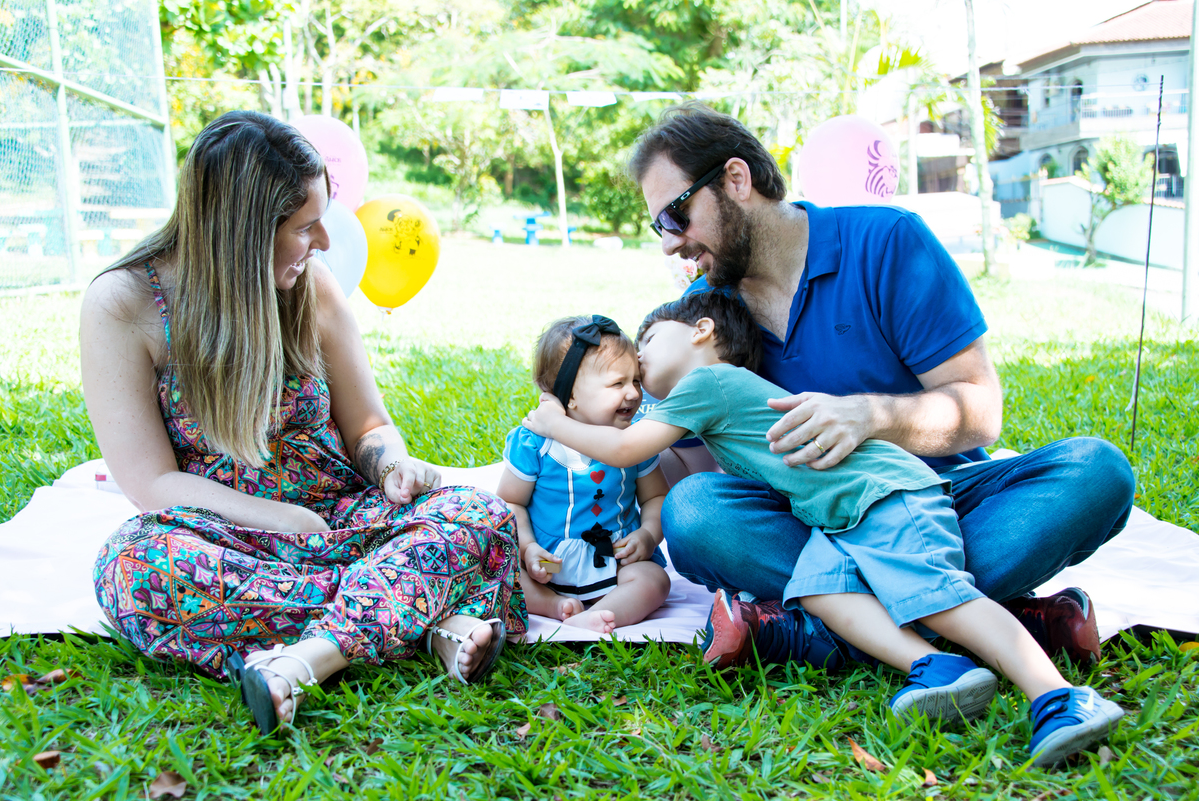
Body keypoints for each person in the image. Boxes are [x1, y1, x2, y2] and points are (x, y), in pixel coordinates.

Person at [626, 103, 1134, 669]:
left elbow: (981, 408)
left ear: (736, 180)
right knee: (694, 514)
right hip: (815, 524)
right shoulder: (706, 317)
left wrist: (869, 416)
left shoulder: (888, 242)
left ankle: (813, 634)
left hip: (941, 505)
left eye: (676, 217)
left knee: (1097, 472)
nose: (670, 244)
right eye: (660, 228)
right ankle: (995, 622)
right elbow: (685, 462)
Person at [522, 290, 1123, 765]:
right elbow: (662, 470)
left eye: (647, 340)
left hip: (883, 495)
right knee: (820, 591)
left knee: (936, 595)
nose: (640, 357)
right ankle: (940, 666)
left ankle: (1059, 697)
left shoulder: (706, 383)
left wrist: (553, 422)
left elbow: (627, 450)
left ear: (701, 332)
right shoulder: (706, 407)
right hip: (833, 518)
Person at [82, 111, 527, 736]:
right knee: (132, 569)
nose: (323, 242)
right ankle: (420, 617)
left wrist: (391, 466)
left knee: (480, 515)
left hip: (343, 517)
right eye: (304, 226)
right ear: (242, 234)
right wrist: (280, 519)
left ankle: (303, 659)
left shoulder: (310, 286)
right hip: (226, 534)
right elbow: (149, 481)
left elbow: (367, 424)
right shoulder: (124, 304)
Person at [497, 316, 671, 634]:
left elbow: (656, 497)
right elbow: (510, 503)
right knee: (508, 576)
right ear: (570, 396)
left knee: (655, 581)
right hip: (551, 562)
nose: (633, 393)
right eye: (618, 383)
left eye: (636, 380)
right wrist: (528, 549)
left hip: (615, 556)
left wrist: (647, 535)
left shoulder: (635, 441)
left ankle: (598, 614)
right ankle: (553, 605)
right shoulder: (536, 443)